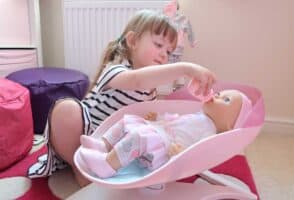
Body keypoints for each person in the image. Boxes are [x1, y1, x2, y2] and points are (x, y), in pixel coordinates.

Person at [31, 9, 216, 186]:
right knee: (65, 109)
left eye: (168, 52)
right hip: (82, 135)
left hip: (111, 148)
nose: (163, 54)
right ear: (133, 41)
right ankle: (80, 169)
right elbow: (137, 81)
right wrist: (185, 69)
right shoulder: (116, 70)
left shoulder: (151, 91)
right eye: (159, 45)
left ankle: (108, 169)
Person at [78, 89, 252, 179]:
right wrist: (158, 118)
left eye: (226, 100)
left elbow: (198, 153)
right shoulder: (200, 116)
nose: (217, 96)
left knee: (140, 137)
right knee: (128, 120)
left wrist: (181, 154)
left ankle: (107, 165)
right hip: (159, 131)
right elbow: (175, 121)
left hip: (162, 150)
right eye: (221, 94)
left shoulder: (210, 132)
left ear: (230, 125)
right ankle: (104, 145)